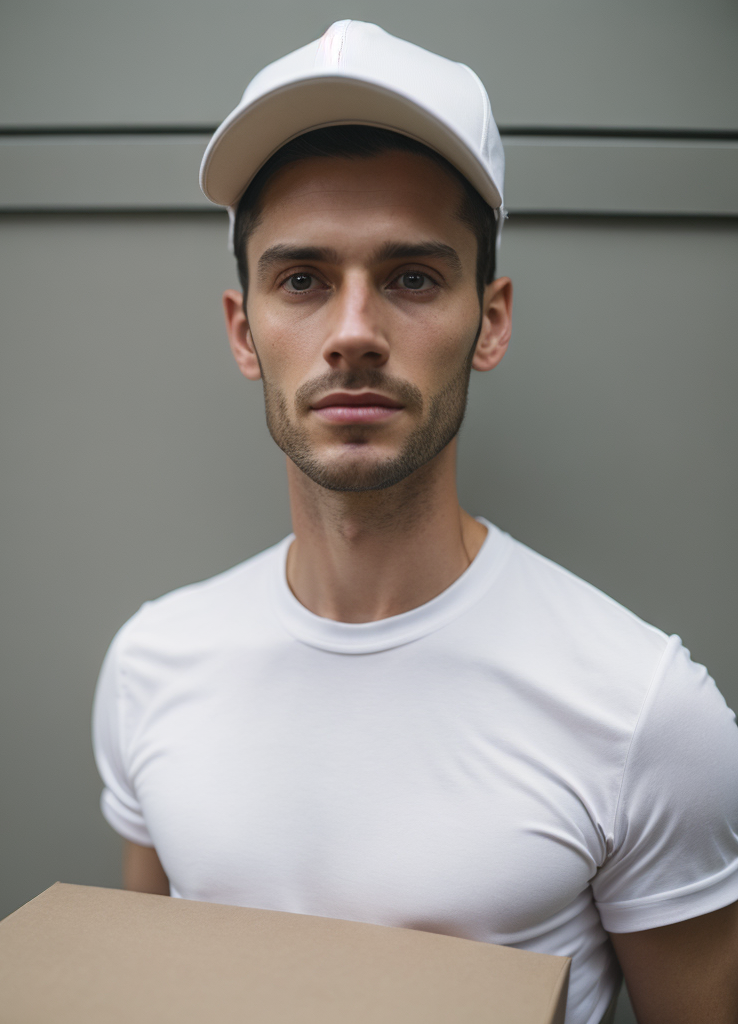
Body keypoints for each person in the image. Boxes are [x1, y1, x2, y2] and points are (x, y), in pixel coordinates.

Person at [92, 21, 738, 1024]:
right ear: (243, 329)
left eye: (412, 277)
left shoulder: (647, 714)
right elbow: (134, 989)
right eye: (302, 278)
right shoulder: (150, 663)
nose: (353, 333)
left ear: (492, 320)